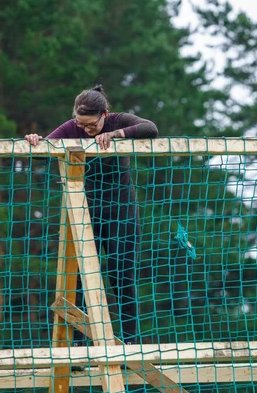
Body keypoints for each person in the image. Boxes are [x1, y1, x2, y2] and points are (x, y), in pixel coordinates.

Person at [25, 85, 158, 345]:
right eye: (80, 123)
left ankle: (130, 341)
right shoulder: (71, 127)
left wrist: (116, 134)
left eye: (91, 125)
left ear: (104, 115)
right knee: (83, 279)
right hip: (86, 212)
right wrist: (34, 140)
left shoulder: (118, 121)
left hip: (122, 213)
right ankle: (80, 343)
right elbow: (43, 152)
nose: (85, 130)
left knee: (121, 275)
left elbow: (150, 128)